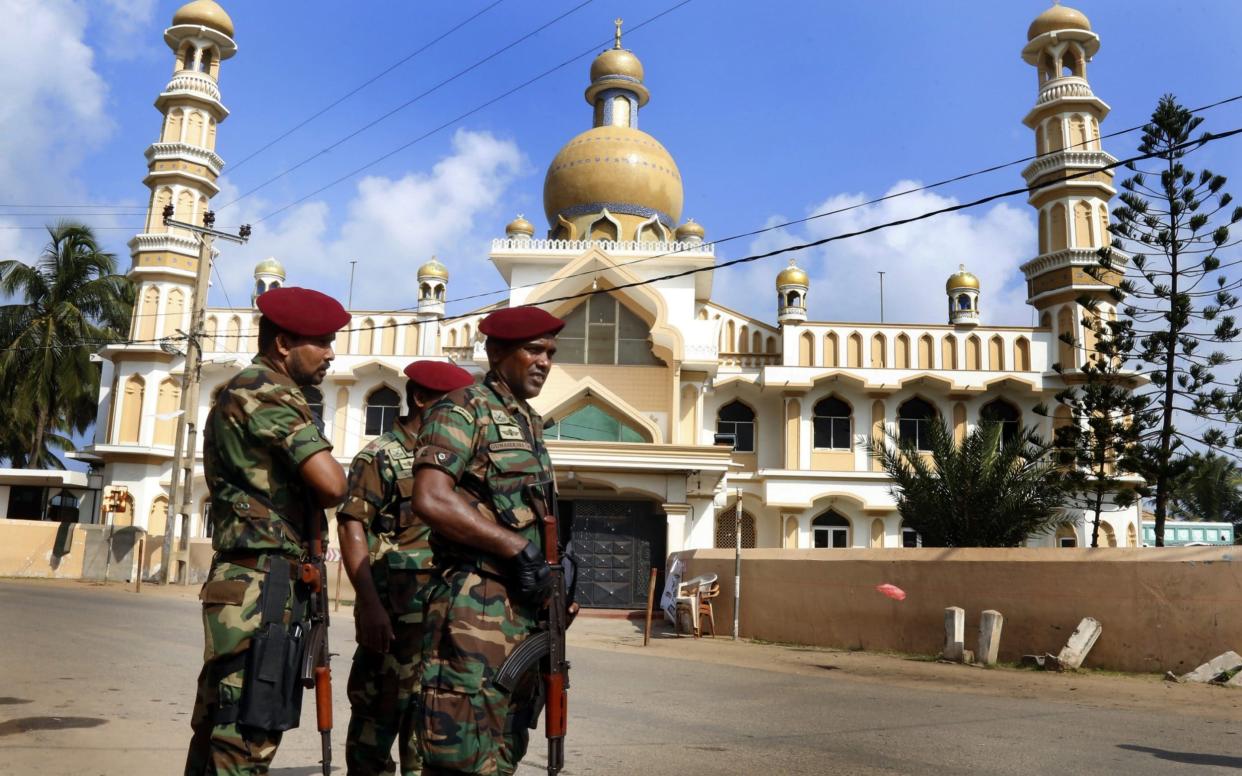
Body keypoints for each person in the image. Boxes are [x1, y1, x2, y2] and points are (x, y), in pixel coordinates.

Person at [185, 286, 350, 775]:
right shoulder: (268, 391)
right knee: (248, 734)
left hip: (249, 578)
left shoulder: (245, 389)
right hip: (263, 586)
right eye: (319, 341)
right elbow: (332, 483)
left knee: (220, 727)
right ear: (283, 343)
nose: (329, 353)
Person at [410, 306, 565, 776]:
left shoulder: (529, 423)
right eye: (533, 350)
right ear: (497, 352)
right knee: (459, 755)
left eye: (551, 353)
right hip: (473, 604)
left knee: (503, 749)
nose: (544, 362)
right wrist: (516, 548)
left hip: (523, 611)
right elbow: (432, 498)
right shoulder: (462, 409)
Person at [338, 360, 475, 776]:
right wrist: (370, 606)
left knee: (427, 734)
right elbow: (351, 524)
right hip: (393, 621)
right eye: (450, 404)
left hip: (441, 624)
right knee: (373, 734)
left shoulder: (455, 461)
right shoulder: (380, 456)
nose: (459, 415)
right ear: (420, 398)